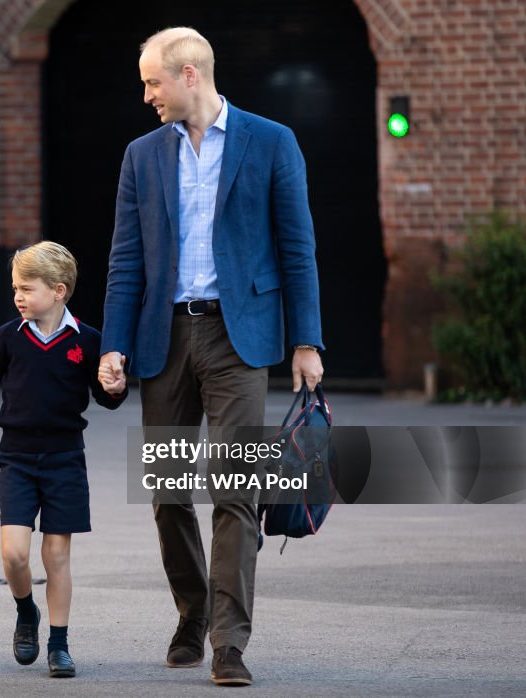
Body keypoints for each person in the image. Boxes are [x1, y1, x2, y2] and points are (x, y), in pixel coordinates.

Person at [100, 27, 325, 687]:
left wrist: (307, 341)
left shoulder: (272, 141)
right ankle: (192, 610)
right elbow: (125, 259)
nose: (146, 96)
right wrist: (113, 344)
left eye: (152, 82)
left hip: (239, 339)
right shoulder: (141, 156)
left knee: (236, 489)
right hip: (162, 339)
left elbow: (298, 246)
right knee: (169, 492)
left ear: (190, 73)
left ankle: (229, 642)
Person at [0, 241, 128, 678]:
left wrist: (114, 386)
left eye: (26, 288)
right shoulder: (8, 338)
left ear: (59, 290)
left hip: (66, 459)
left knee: (56, 556)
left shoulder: (87, 341)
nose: (18, 296)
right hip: (17, 458)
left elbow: (106, 401)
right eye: (15, 287)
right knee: (14, 555)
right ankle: (25, 611)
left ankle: (59, 644)